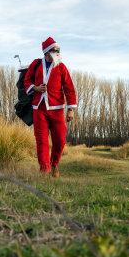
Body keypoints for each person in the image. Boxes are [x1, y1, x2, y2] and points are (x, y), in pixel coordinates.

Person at [24, 37, 77, 177]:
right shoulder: (35, 64)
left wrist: (70, 109)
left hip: (57, 109)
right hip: (39, 109)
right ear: (47, 52)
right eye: (55, 50)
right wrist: (35, 87)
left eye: (58, 50)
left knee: (60, 140)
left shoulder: (61, 67)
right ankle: (45, 171)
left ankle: (53, 165)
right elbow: (27, 81)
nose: (58, 52)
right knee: (41, 141)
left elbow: (69, 88)